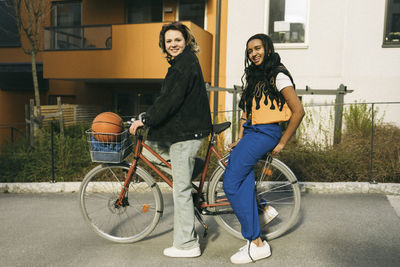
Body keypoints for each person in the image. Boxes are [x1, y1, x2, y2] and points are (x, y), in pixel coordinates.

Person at [129, 22, 212, 258]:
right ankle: (187, 170)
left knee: (181, 191)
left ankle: (187, 244)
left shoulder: (183, 65)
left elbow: (170, 100)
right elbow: (169, 99)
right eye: (169, 41)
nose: (173, 44)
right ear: (164, 45)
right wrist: (149, 118)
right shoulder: (182, 63)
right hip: (185, 131)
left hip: (186, 134)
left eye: (177, 40)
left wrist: (146, 119)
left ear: (185, 40)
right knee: (149, 150)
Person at [223, 33, 305, 264]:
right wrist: (239, 137)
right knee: (243, 180)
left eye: (258, 48)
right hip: (251, 133)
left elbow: (298, 111)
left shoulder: (277, 75)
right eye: (250, 51)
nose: (254, 53)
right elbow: (246, 113)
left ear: (267, 49)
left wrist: (282, 142)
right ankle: (262, 212)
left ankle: (257, 243)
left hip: (266, 133)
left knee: (230, 183)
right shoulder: (255, 77)